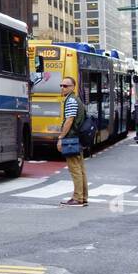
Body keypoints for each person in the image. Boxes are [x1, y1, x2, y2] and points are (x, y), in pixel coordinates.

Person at [58, 76, 88, 207]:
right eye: (61, 85)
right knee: (80, 169)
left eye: (65, 86)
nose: (63, 88)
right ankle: (83, 196)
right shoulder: (76, 99)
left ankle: (77, 197)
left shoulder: (70, 101)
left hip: (71, 138)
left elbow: (69, 120)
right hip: (77, 138)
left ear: (72, 87)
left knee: (75, 169)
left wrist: (61, 137)